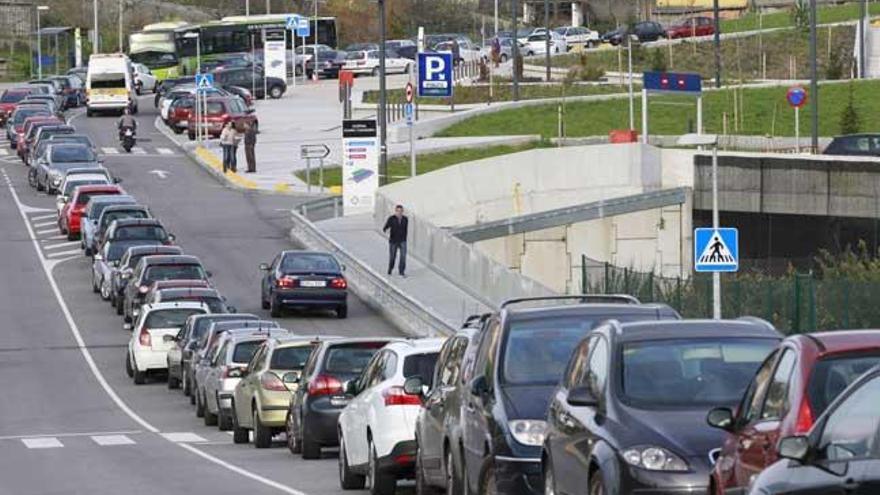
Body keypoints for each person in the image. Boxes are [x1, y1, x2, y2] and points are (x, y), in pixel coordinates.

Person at [382, 204, 409, 277]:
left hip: (402, 240)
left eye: (401, 211)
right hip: (393, 241)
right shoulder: (391, 218)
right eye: (398, 211)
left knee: (403, 256)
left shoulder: (405, 219)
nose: (399, 213)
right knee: (392, 256)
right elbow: (386, 227)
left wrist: (405, 238)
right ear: (395, 211)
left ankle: (401, 271)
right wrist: (385, 230)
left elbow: (405, 229)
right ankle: (390, 268)